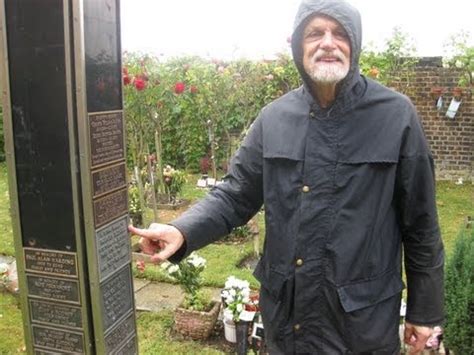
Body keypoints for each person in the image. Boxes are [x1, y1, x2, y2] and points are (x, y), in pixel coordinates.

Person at [129, 0, 445, 353]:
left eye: (339, 33)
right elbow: (235, 195)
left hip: (361, 325)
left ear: (354, 44)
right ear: (298, 44)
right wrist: (182, 230)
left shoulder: (396, 116)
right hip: (287, 321)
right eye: (315, 33)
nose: (327, 42)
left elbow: (421, 225)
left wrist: (425, 311)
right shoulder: (274, 118)